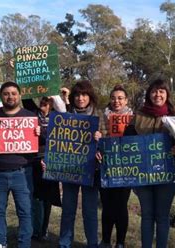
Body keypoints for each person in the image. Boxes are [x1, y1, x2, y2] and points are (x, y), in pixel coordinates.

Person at [124, 76, 175, 248]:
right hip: (143, 173)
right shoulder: (138, 116)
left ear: (167, 95)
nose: (158, 95)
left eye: (161, 91)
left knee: (162, 216)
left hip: (168, 173)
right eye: (154, 91)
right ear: (149, 94)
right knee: (147, 215)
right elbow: (126, 142)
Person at [0, 81, 40, 248]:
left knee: (25, 212)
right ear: (1, 96)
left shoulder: (30, 116)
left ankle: (24, 244)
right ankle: (0, 243)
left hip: (23, 172)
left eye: (14, 93)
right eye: (6, 93)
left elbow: (41, 142)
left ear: (20, 96)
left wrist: (41, 133)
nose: (10, 96)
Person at [58, 80, 101, 248]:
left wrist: (100, 139)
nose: (80, 98)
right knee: (68, 209)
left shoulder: (98, 116)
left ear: (90, 97)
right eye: (77, 95)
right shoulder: (66, 114)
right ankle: (64, 243)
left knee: (90, 211)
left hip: (91, 169)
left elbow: (107, 142)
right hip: (70, 168)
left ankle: (92, 244)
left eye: (84, 95)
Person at [22, 96, 65, 241]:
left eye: (47, 101)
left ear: (52, 104)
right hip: (33, 159)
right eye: (41, 100)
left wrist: (44, 133)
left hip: (50, 159)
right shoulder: (32, 114)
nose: (43, 103)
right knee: (34, 195)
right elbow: (27, 97)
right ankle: (35, 228)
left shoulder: (57, 117)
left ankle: (44, 229)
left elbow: (62, 137)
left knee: (47, 197)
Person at [98, 85, 134, 248]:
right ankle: (105, 240)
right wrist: (97, 143)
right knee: (106, 206)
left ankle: (120, 242)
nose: (116, 101)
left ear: (126, 100)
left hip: (125, 168)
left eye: (120, 98)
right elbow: (94, 140)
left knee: (121, 206)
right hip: (105, 167)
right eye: (113, 98)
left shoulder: (134, 118)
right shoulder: (101, 116)